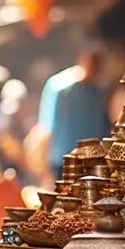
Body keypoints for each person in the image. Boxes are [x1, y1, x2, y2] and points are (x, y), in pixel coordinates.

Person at [47, 48, 112, 180]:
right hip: (65, 157)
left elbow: (104, 125)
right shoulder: (61, 88)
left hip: (92, 157)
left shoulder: (98, 92)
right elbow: (48, 125)